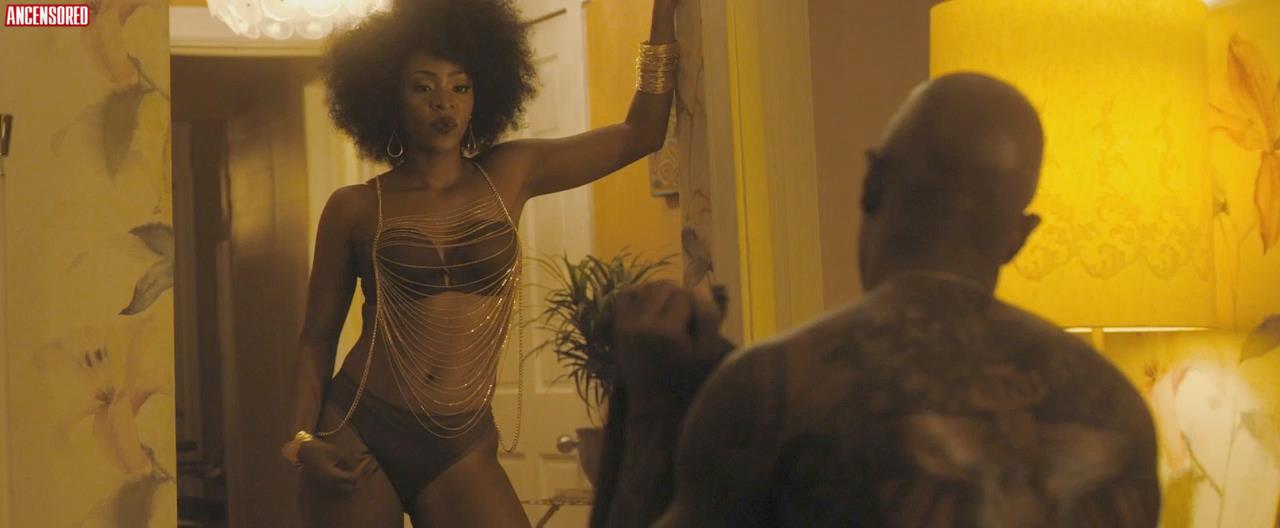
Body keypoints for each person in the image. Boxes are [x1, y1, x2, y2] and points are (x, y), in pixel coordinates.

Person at [595, 73, 1162, 527]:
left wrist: (650, 402)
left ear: (873, 183)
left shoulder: (773, 388)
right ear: (1020, 236)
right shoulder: (1117, 409)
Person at [280, 0, 682, 525]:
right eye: (422, 87)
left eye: (460, 87)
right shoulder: (354, 207)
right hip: (360, 424)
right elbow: (316, 338)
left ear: (481, 97)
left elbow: (641, 133)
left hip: (460, 441)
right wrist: (301, 439)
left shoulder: (512, 172)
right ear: (388, 96)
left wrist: (662, 14)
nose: (443, 102)